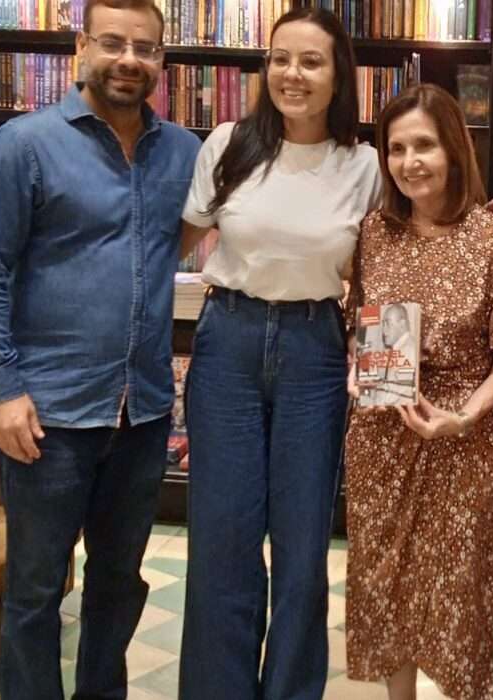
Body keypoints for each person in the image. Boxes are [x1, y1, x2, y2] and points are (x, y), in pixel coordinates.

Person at [0, 0, 201, 696]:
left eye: (145, 48)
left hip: (143, 413)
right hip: (46, 416)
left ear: (162, 59)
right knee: (35, 591)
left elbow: (187, 238)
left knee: (117, 587)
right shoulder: (23, 145)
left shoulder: (185, 151)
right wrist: (2, 391)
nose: (129, 59)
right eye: (113, 43)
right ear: (81, 49)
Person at [177, 8, 382, 699]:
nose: (293, 74)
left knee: (301, 553)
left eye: (312, 61)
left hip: (314, 352)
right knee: (223, 545)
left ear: (338, 75)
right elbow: (170, 244)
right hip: (228, 344)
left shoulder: (364, 164)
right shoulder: (230, 144)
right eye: (281, 59)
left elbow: (402, 254)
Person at [344, 83, 493, 700]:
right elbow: (365, 324)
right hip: (381, 434)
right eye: (395, 148)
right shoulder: (375, 231)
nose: (409, 162)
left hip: (462, 437)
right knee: (385, 582)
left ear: (454, 148)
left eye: (423, 145)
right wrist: (358, 367)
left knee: (457, 591)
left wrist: (465, 415)